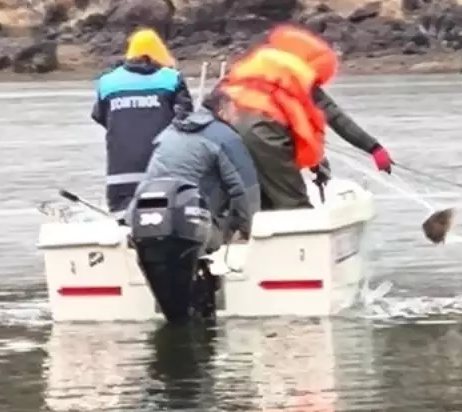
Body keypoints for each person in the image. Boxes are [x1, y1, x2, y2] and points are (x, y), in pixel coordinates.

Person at [220, 24, 393, 211]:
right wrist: (374, 148)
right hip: (264, 135)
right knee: (294, 203)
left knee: (259, 200)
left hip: (228, 133)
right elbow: (333, 116)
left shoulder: (252, 67)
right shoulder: (296, 75)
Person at [92, 29, 192, 213]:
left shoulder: (107, 82)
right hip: (163, 173)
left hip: (119, 176)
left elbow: (99, 116)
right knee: (165, 220)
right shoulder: (171, 79)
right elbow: (185, 119)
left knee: (123, 220)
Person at [140, 96, 258, 246]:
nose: (238, 117)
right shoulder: (227, 138)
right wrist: (250, 233)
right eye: (236, 111)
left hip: (149, 223)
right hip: (196, 228)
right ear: (223, 110)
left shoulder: (169, 132)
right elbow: (246, 190)